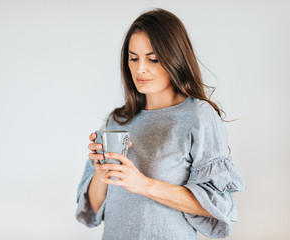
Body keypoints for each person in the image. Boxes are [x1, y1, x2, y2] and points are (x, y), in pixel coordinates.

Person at [75, 8, 245, 240]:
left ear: (175, 58)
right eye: (133, 58)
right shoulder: (118, 119)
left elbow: (219, 206)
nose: (140, 68)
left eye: (153, 59)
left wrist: (143, 185)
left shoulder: (198, 116)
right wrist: (100, 169)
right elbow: (93, 211)